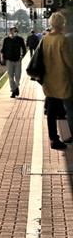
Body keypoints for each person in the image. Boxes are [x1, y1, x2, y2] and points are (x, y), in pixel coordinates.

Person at [40, 12, 73, 150]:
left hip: (48, 80)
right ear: (62, 23)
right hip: (61, 79)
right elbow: (68, 61)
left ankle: (54, 139)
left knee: (52, 111)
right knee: (69, 107)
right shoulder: (62, 39)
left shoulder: (45, 38)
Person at [0, 26, 27, 98]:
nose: (14, 32)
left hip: (17, 60)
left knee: (18, 76)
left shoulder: (20, 39)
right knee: (10, 77)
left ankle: (16, 87)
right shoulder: (6, 39)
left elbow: (24, 49)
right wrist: (2, 58)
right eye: (12, 31)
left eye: (15, 31)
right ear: (10, 31)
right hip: (9, 60)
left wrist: (22, 56)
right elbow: (3, 50)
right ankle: (13, 91)